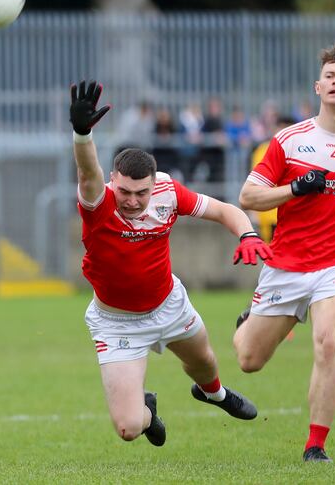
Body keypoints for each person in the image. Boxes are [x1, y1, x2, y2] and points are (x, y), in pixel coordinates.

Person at [70, 80, 267, 447]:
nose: (132, 200)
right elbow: (87, 173)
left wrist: (248, 235)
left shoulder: (167, 192)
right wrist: (83, 134)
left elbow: (225, 210)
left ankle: (215, 394)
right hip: (117, 323)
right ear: (113, 181)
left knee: (205, 363)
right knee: (129, 428)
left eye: (140, 192)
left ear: (153, 184)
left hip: (168, 305)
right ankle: (148, 409)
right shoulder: (100, 203)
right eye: (125, 191)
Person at [234, 42, 335, 463]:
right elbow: (248, 196)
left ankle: (315, 446)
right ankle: (246, 322)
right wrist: (296, 188)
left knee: (328, 341)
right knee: (248, 360)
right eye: (332, 77)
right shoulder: (289, 140)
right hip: (287, 265)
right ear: (318, 87)